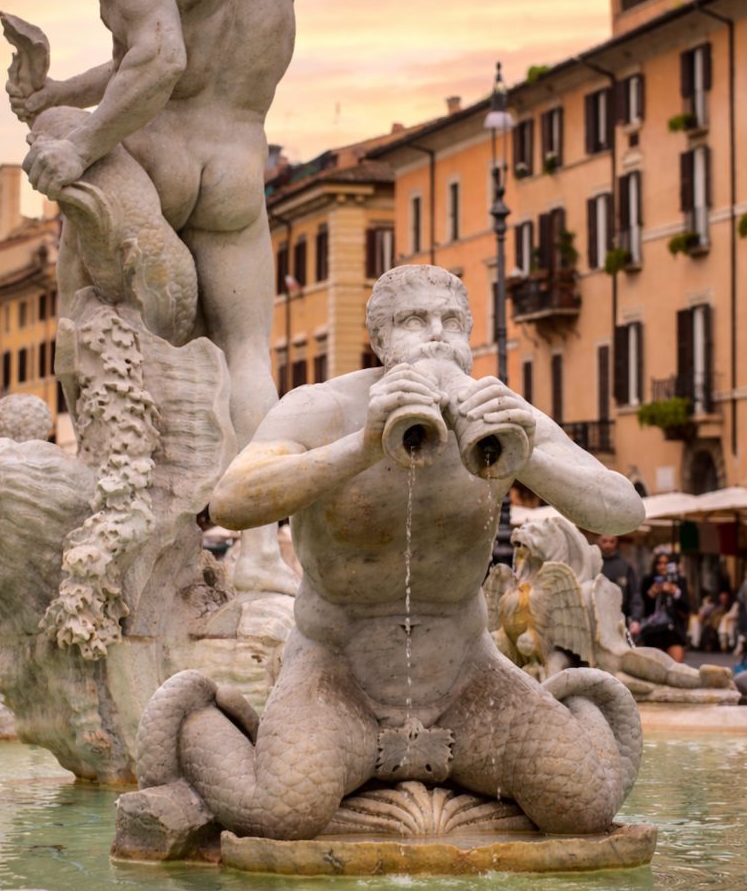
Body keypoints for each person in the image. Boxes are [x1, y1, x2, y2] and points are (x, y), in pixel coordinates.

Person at [199, 265, 646, 838]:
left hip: (465, 674)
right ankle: (202, 718)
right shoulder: (322, 407)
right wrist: (359, 447)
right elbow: (232, 500)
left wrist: (521, 451)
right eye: (414, 320)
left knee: (581, 807)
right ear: (381, 341)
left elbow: (622, 511)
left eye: (452, 321)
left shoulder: (504, 410)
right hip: (339, 672)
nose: (437, 335)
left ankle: (576, 708)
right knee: (285, 812)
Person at [7, 0, 298, 595]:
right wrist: (60, 87)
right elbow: (178, 56)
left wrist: (76, 143)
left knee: (92, 326)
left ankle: (114, 519)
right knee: (249, 353)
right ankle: (262, 557)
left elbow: (162, 58)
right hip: (238, 167)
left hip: (157, 157)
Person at [638, 551, 690, 662]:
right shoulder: (648, 580)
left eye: (666, 563)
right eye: (659, 563)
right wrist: (652, 592)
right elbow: (644, 607)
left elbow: (686, 608)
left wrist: (675, 592)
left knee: (677, 668)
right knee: (656, 668)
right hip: (654, 630)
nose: (662, 566)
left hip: (674, 630)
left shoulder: (679, 581)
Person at [596, 533, 643, 631]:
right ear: (598, 541)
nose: (608, 545)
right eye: (604, 541)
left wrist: (635, 619)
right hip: (596, 619)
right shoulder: (592, 565)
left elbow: (635, 595)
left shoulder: (625, 566)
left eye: (612, 541)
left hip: (620, 619)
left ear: (616, 542)